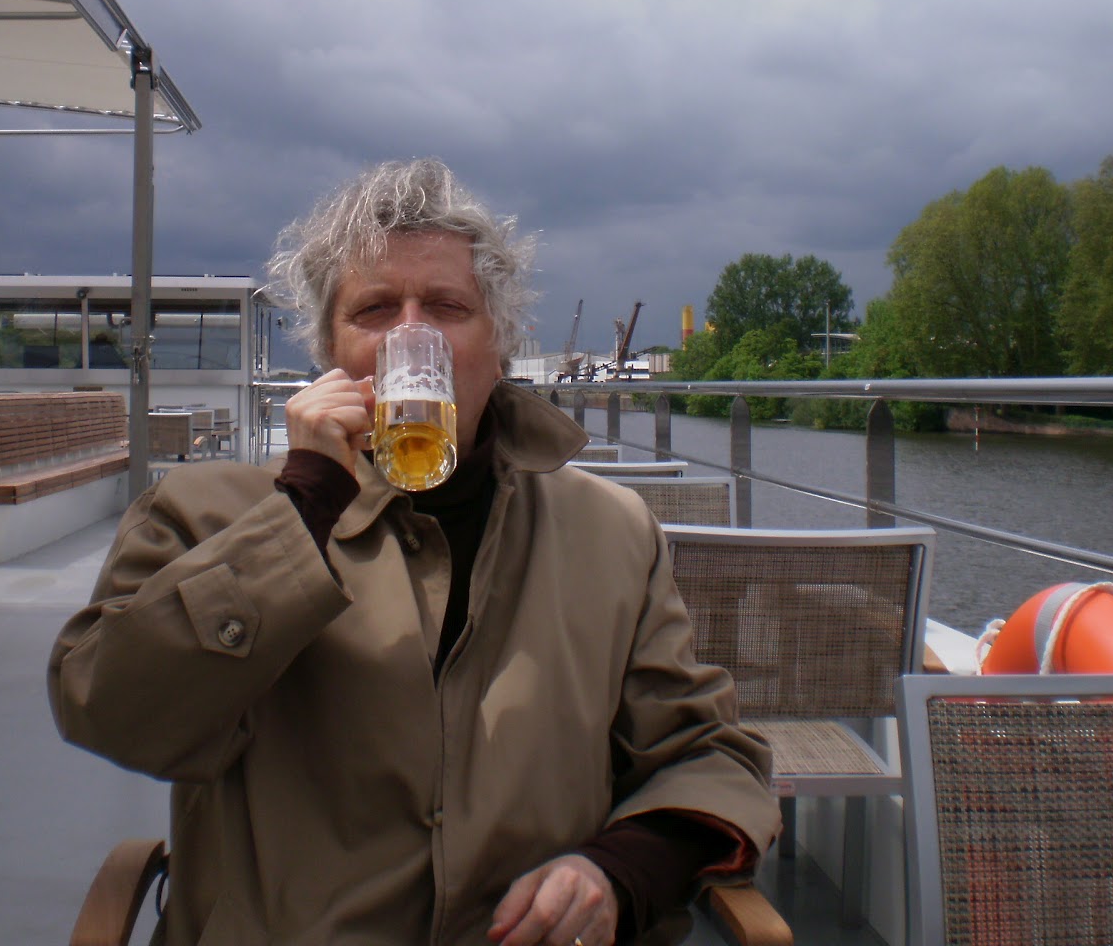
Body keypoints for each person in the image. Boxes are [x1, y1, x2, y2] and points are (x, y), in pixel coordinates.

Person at [48, 158, 779, 946]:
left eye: (446, 307)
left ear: (497, 346)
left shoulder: (610, 531)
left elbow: (709, 753)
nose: (410, 336)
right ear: (329, 353)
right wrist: (302, 511)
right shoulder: (207, 513)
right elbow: (109, 711)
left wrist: (618, 873)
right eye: (373, 310)